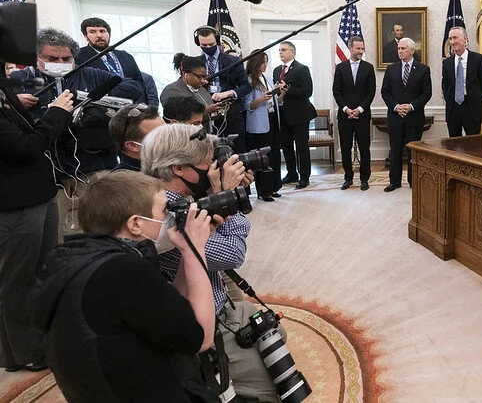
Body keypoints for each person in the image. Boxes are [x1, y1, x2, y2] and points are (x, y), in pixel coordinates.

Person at [32, 171, 215, 402]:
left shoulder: (80, 261)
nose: (170, 217)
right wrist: (195, 250)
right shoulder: (122, 271)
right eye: (164, 210)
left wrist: (186, 252)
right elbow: (200, 338)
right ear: (136, 224)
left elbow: (175, 312)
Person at [141, 123, 285, 402]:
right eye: (206, 163)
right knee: (276, 388)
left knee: (275, 333)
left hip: (215, 305)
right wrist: (226, 196)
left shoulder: (169, 193)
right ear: (179, 169)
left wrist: (216, 192)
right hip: (205, 325)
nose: (212, 169)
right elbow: (232, 253)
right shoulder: (170, 212)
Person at [11, 28, 145, 234]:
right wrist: (14, 101)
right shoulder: (27, 79)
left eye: (66, 58)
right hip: (48, 172)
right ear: (37, 57)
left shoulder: (88, 74)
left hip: (92, 166)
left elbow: (133, 88)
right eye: (52, 58)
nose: (60, 63)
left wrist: (83, 95)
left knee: (99, 227)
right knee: (55, 233)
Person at [0, 80, 73, 373]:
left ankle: (38, 340)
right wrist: (56, 114)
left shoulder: (4, 89)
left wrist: (15, 103)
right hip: (15, 203)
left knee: (42, 273)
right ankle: (23, 352)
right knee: (18, 280)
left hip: (38, 193)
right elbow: (26, 146)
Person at [381, 37, 432, 191]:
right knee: (395, 150)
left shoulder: (423, 69)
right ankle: (394, 182)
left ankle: (413, 181)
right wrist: (396, 107)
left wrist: (410, 106)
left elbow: (426, 93)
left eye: (403, 48)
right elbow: (385, 92)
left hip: (414, 117)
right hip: (395, 117)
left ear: (412, 50)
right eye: (398, 48)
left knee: (413, 152)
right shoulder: (391, 69)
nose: (400, 51)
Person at [195, 26, 251, 153]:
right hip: (206, 114)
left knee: (237, 151)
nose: (208, 47)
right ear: (198, 43)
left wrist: (227, 93)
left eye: (211, 44)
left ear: (218, 41)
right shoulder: (195, 63)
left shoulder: (233, 60)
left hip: (231, 113)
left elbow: (246, 87)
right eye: (204, 45)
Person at [332, 35, 375, 190]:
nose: (361, 51)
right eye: (358, 48)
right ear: (350, 48)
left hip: (362, 116)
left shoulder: (368, 68)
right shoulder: (341, 67)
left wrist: (359, 109)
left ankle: (365, 179)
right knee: (345, 148)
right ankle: (348, 178)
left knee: (364, 148)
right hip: (345, 116)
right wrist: (346, 109)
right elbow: (336, 91)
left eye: (362, 48)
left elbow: (371, 92)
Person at [273, 41, 316, 189]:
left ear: (293, 52)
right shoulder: (277, 70)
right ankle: (292, 173)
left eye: (284, 50)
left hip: (300, 115)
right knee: (286, 146)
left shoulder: (301, 69)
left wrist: (287, 90)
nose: (280, 53)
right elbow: (276, 91)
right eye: (279, 50)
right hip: (283, 114)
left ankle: (304, 177)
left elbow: (307, 91)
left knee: (301, 147)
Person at [244, 51, 284, 201]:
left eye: (266, 61)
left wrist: (281, 94)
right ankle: (263, 191)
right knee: (263, 158)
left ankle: (274, 187)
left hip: (272, 119)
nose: (265, 65)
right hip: (259, 124)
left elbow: (277, 102)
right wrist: (261, 98)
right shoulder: (248, 81)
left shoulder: (268, 78)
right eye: (262, 62)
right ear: (255, 63)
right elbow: (247, 105)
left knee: (274, 156)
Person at [441, 26, 482, 136]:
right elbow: (445, 85)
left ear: (465, 38)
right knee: (453, 146)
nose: (452, 42)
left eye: (455, 38)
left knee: (473, 147)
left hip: (472, 109)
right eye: (450, 39)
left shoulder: (478, 59)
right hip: (453, 109)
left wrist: (476, 100)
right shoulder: (447, 63)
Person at [75, 17, 145, 84]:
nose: (99, 35)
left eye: (102, 31)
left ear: (109, 34)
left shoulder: (126, 56)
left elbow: (140, 83)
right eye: (92, 32)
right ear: (85, 36)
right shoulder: (78, 56)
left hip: (130, 95)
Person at [160, 53, 220, 124]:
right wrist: (205, 111)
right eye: (198, 76)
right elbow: (178, 117)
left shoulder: (202, 90)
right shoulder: (170, 91)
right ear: (185, 73)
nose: (202, 80)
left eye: (204, 77)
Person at [108, 103, 165, 171]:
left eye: (168, 131)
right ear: (132, 146)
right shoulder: (121, 180)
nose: (168, 139)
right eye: (159, 137)